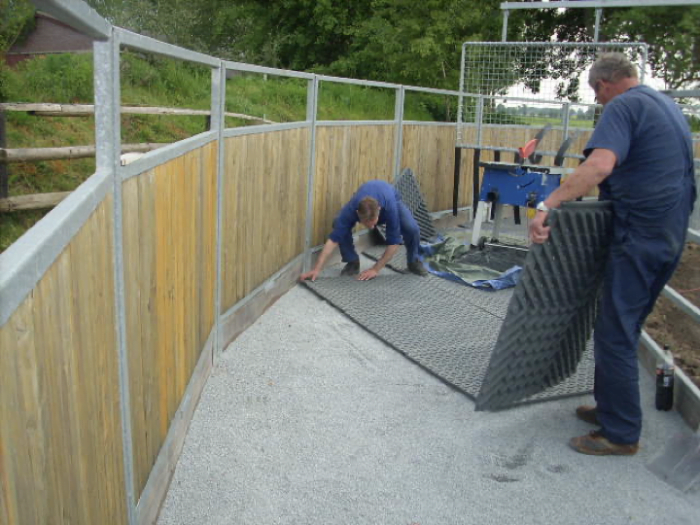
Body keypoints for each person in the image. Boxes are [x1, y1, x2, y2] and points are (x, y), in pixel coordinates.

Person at [529, 53, 696, 456]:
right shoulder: (665, 105)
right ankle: (610, 408)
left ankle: (621, 434)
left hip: (639, 237)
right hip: (666, 237)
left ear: (603, 85)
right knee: (623, 325)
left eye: (597, 97)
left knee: (615, 332)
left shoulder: (623, 105)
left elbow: (599, 166)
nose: (600, 104)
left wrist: (548, 204)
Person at [300, 179, 428, 282]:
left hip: (390, 195)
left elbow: (394, 244)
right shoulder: (351, 210)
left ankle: (413, 261)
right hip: (367, 197)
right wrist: (316, 269)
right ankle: (352, 261)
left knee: (412, 229)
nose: (372, 227)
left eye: (374, 223)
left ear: (379, 210)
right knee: (339, 223)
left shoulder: (390, 208)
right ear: (357, 213)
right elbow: (333, 241)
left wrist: (375, 269)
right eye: (367, 224)